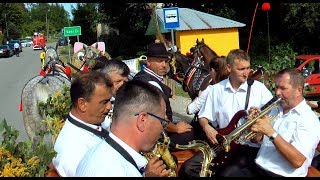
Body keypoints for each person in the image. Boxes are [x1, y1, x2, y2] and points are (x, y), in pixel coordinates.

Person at [179, 49, 273, 177]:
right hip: (223, 144)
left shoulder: (259, 89)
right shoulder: (216, 90)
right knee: (188, 168)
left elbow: (273, 116)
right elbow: (203, 116)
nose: (246, 73)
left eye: (248, 68)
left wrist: (259, 116)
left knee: (225, 174)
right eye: (241, 69)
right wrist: (207, 127)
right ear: (229, 68)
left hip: (249, 146)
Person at [76, 80, 172, 177]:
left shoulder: (95, 153)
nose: (161, 130)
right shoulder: (119, 171)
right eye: (162, 122)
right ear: (142, 120)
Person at [245, 68, 320, 177]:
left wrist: (271, 132)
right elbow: (256, 139)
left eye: (283, 88)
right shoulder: (275, 108)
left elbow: (297, 161)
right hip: (259, 167)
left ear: (299, 90)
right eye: (276, 87)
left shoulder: (309, 119)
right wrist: (254, 125)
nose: (277, 92)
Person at [52, 71, 114, 177]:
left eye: (110, 101)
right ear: (82, 104)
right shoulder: (74, 151)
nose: (109, 107)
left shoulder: (93, 123)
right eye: (104, 102)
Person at [133, 42, 194, 145]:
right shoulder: (149, 83)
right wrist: (176, 128)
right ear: (148, 62)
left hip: (155, 130)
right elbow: (158, 119)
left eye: (165, 61)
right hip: (156, 136)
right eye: (159, 61)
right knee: (192, 132)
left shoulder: (143, 76)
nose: (164, 65)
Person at [95, 59, 130, 130]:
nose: (122, 85)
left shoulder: (130, 100)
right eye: (118, 81)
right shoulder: (95, 103)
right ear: (105, 80)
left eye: (125, 82)